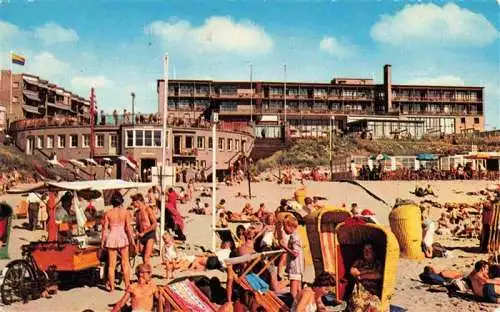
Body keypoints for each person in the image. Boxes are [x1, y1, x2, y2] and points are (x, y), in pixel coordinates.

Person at [102, 192, 136, 292]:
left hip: (112, 237)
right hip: (122, 237)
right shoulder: (125, 212)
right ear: (121, 201)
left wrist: (102, 242)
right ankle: (127, 286)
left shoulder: (108, 213)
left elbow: (105, 230)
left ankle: (112, 288)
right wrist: (132, 241)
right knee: (125, 263)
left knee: (111, 265)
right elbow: (129, 228)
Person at [349, 243, 383, 311]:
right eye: (365, 249)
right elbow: (353, 272)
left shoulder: (377, 263)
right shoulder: (359, 261)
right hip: (360, 291)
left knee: (376, 308)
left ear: (373, 252)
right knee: (358, 308)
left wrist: (361, 276)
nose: (366, 252)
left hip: (373, 292)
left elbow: (378, 275)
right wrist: (370, 271)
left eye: (369, 249)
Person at [280, 215, 304, 299]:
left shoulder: (294, 237)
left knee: (293, 291)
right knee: (298, 289)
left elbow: (295, 253)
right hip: (298, 267)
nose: (283, 229)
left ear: (290, 227)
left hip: (295, 267)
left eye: (284, 226)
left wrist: (284, 246)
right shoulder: (296, 235)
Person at [132, 193, 157, 266]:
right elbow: (137, 226)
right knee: (143, 258)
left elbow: (154, 224)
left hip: (150, 234)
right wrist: (136, 232)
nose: (133, 204)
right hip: (142, 235)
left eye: (133, 202)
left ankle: (148, 275)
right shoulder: (137, 213)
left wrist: (144, 232)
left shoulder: (148, 209)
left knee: (146, 257)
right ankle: (146, 274)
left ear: (137, 201)